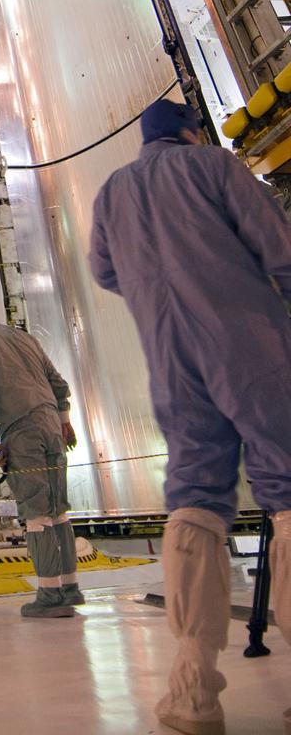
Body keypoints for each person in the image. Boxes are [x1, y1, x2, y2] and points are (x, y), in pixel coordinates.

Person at [89, 97, 291, 735]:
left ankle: (192, 690)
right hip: (248, 341)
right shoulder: (215, 168)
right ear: (190, 130)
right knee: (287, 484)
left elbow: (104, 270)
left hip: (171, 360)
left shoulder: (112, 193)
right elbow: (277, 246)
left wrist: (158, 289)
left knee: (196, 498)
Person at [0, 300, 82, 618]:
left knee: (36, 513)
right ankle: (70, 588)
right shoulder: (25, 337)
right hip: (52, 426)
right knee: (59, 510)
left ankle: (49, 594)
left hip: (21, 430)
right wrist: (65, 421)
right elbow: (58, 383)